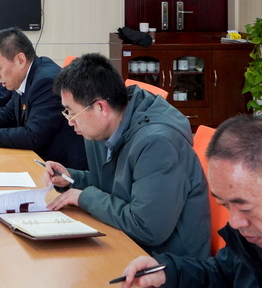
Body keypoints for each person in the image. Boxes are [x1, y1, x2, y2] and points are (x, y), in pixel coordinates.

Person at [120, 115, 262, 288]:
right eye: (226, 206)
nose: (234, 222)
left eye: (245, 207)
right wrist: (168, 273)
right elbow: (222, 273)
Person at [43, 53, 210, 260]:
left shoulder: (158, 143)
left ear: (101, 107)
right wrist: (72, 179)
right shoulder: (104, 127)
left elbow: (146, 226)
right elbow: (114, 186)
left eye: (71, 112)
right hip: (127, 242)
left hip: (167, 262)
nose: (70, 121)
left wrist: (82, 197)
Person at [0, 27, 87, 168]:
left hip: (62, 168)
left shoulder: (46, 82)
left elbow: (33, 136)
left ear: (20, 60)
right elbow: (9, 113)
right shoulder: (25, 74)